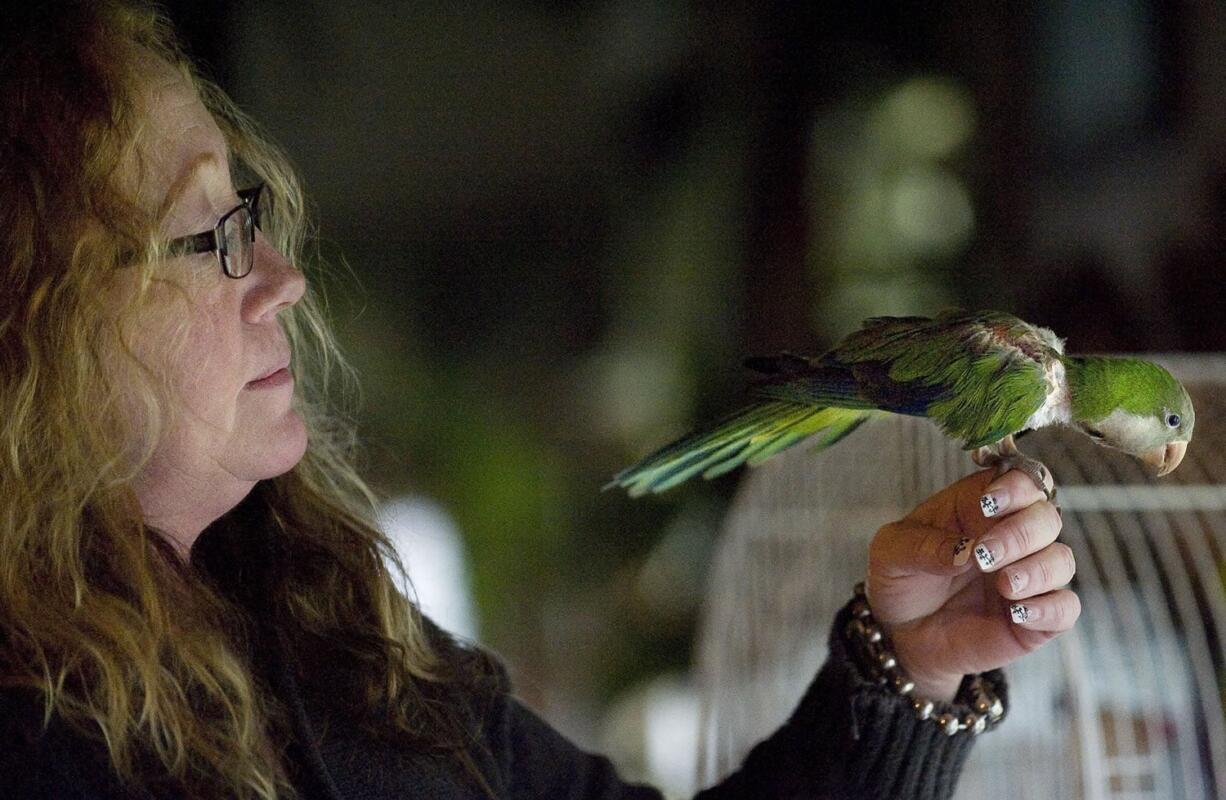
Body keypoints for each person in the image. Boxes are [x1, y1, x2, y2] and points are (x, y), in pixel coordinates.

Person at [0, 3, 1081, 798]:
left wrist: (905, 665)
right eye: (213, 237)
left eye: (254, 213)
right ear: (37, 324)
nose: (280, 278)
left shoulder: (327, 620)